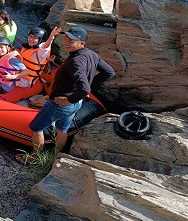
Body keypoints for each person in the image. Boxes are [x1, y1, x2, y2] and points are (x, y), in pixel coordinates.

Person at [17, 27, 115, 164]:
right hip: (76, 103)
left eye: (72, 41)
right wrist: (84, 89)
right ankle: (56, 155)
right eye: (66, 39)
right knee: (62, 129)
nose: (67, 43)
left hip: (60, 103)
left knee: (36, 127)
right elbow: (109, 72)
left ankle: (35, 158)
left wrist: (68, 100)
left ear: (82, 43)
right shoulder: (91, 54)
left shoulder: (75, 62)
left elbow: (85, 87)